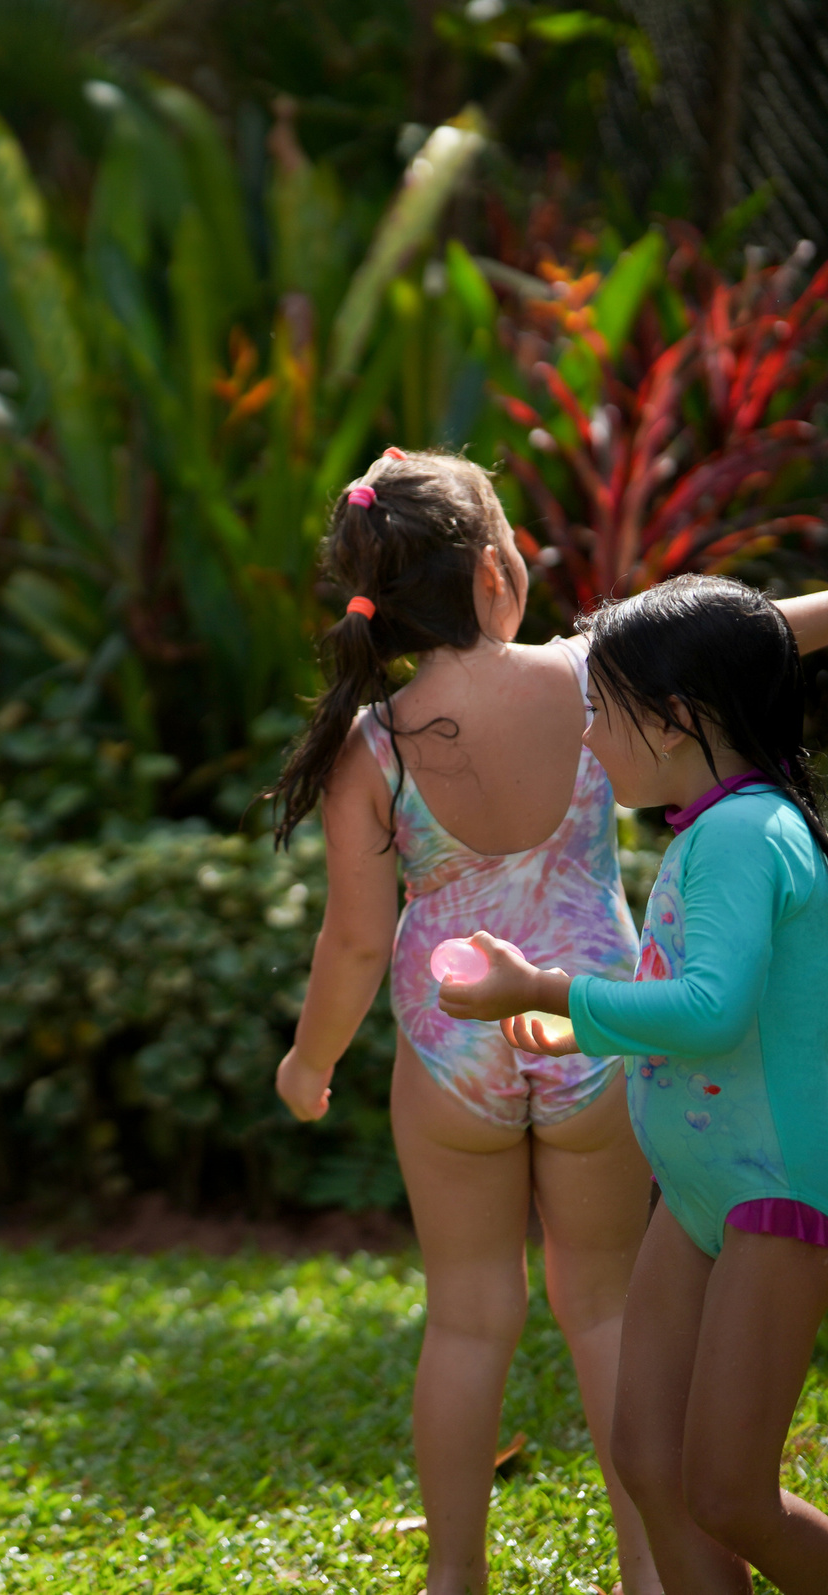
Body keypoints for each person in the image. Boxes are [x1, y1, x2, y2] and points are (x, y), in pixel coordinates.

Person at [265, 450, 658, 1595]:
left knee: (470, 1319)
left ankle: (453, 1578)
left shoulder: (372, 746)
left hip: (452, 1053)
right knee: (607, 1305)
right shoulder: (590, 678)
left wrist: (308, 1060)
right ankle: (650, 1569)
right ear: (496, 573)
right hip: (595, 1027)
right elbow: (761, 628)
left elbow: (349, 940)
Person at [440, 574, 828, 1595]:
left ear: (673, 722)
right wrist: (578, 1022)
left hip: (772, 1196)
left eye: (598, 713)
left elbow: (712, 1010)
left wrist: (555, 986)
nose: (585, 740)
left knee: (731, 1493)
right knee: (652, 1464)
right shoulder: (708, 828)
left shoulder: (747, 833)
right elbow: (698, 1013)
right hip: (701, 1192)